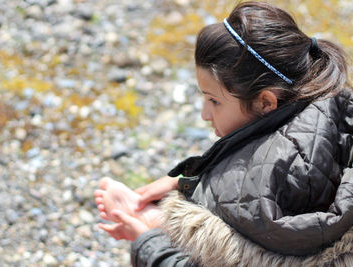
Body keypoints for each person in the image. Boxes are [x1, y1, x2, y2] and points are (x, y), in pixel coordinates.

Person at [94, 1, 353, 266]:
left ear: (265, 102)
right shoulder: (332, 116)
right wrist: (187, 181)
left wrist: (146, 241)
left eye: (213, 101)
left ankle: (158, 226)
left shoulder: (282, 179)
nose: (205, 114)